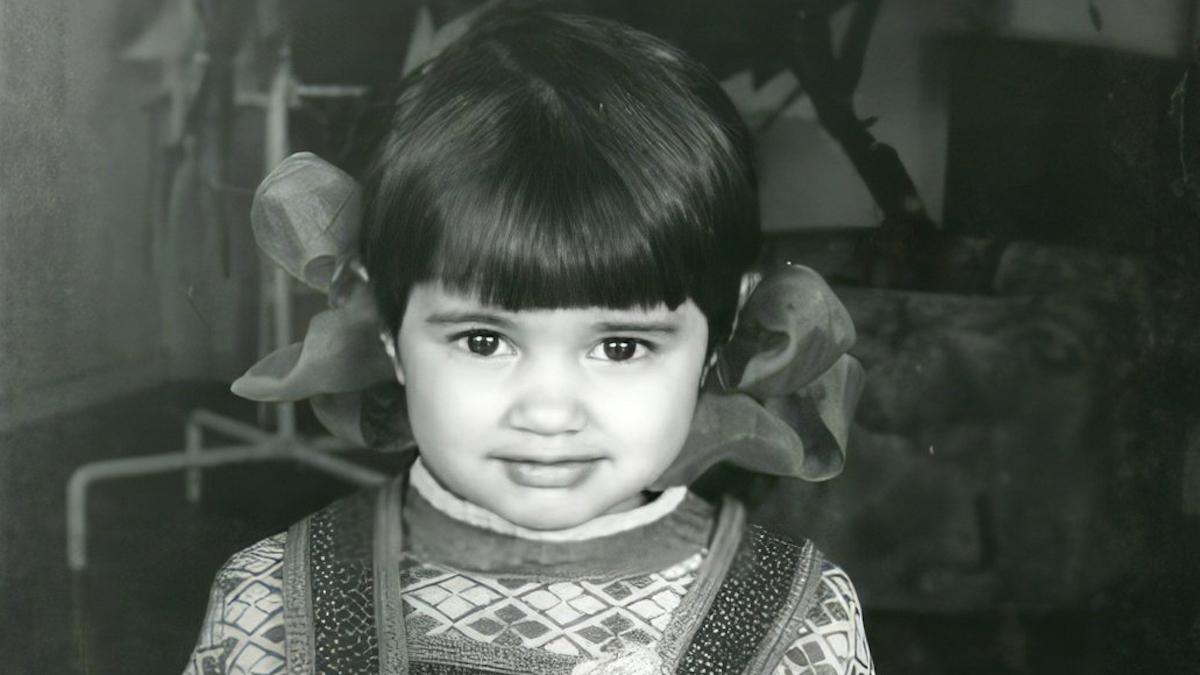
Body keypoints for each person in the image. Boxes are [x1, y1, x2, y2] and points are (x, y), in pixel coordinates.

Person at [183, 9, 872, 675]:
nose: (548, 412)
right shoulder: (270, 607)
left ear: (722, 335)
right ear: (389, 330)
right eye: (484, 340)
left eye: (621, 347)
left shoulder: (800, 624)